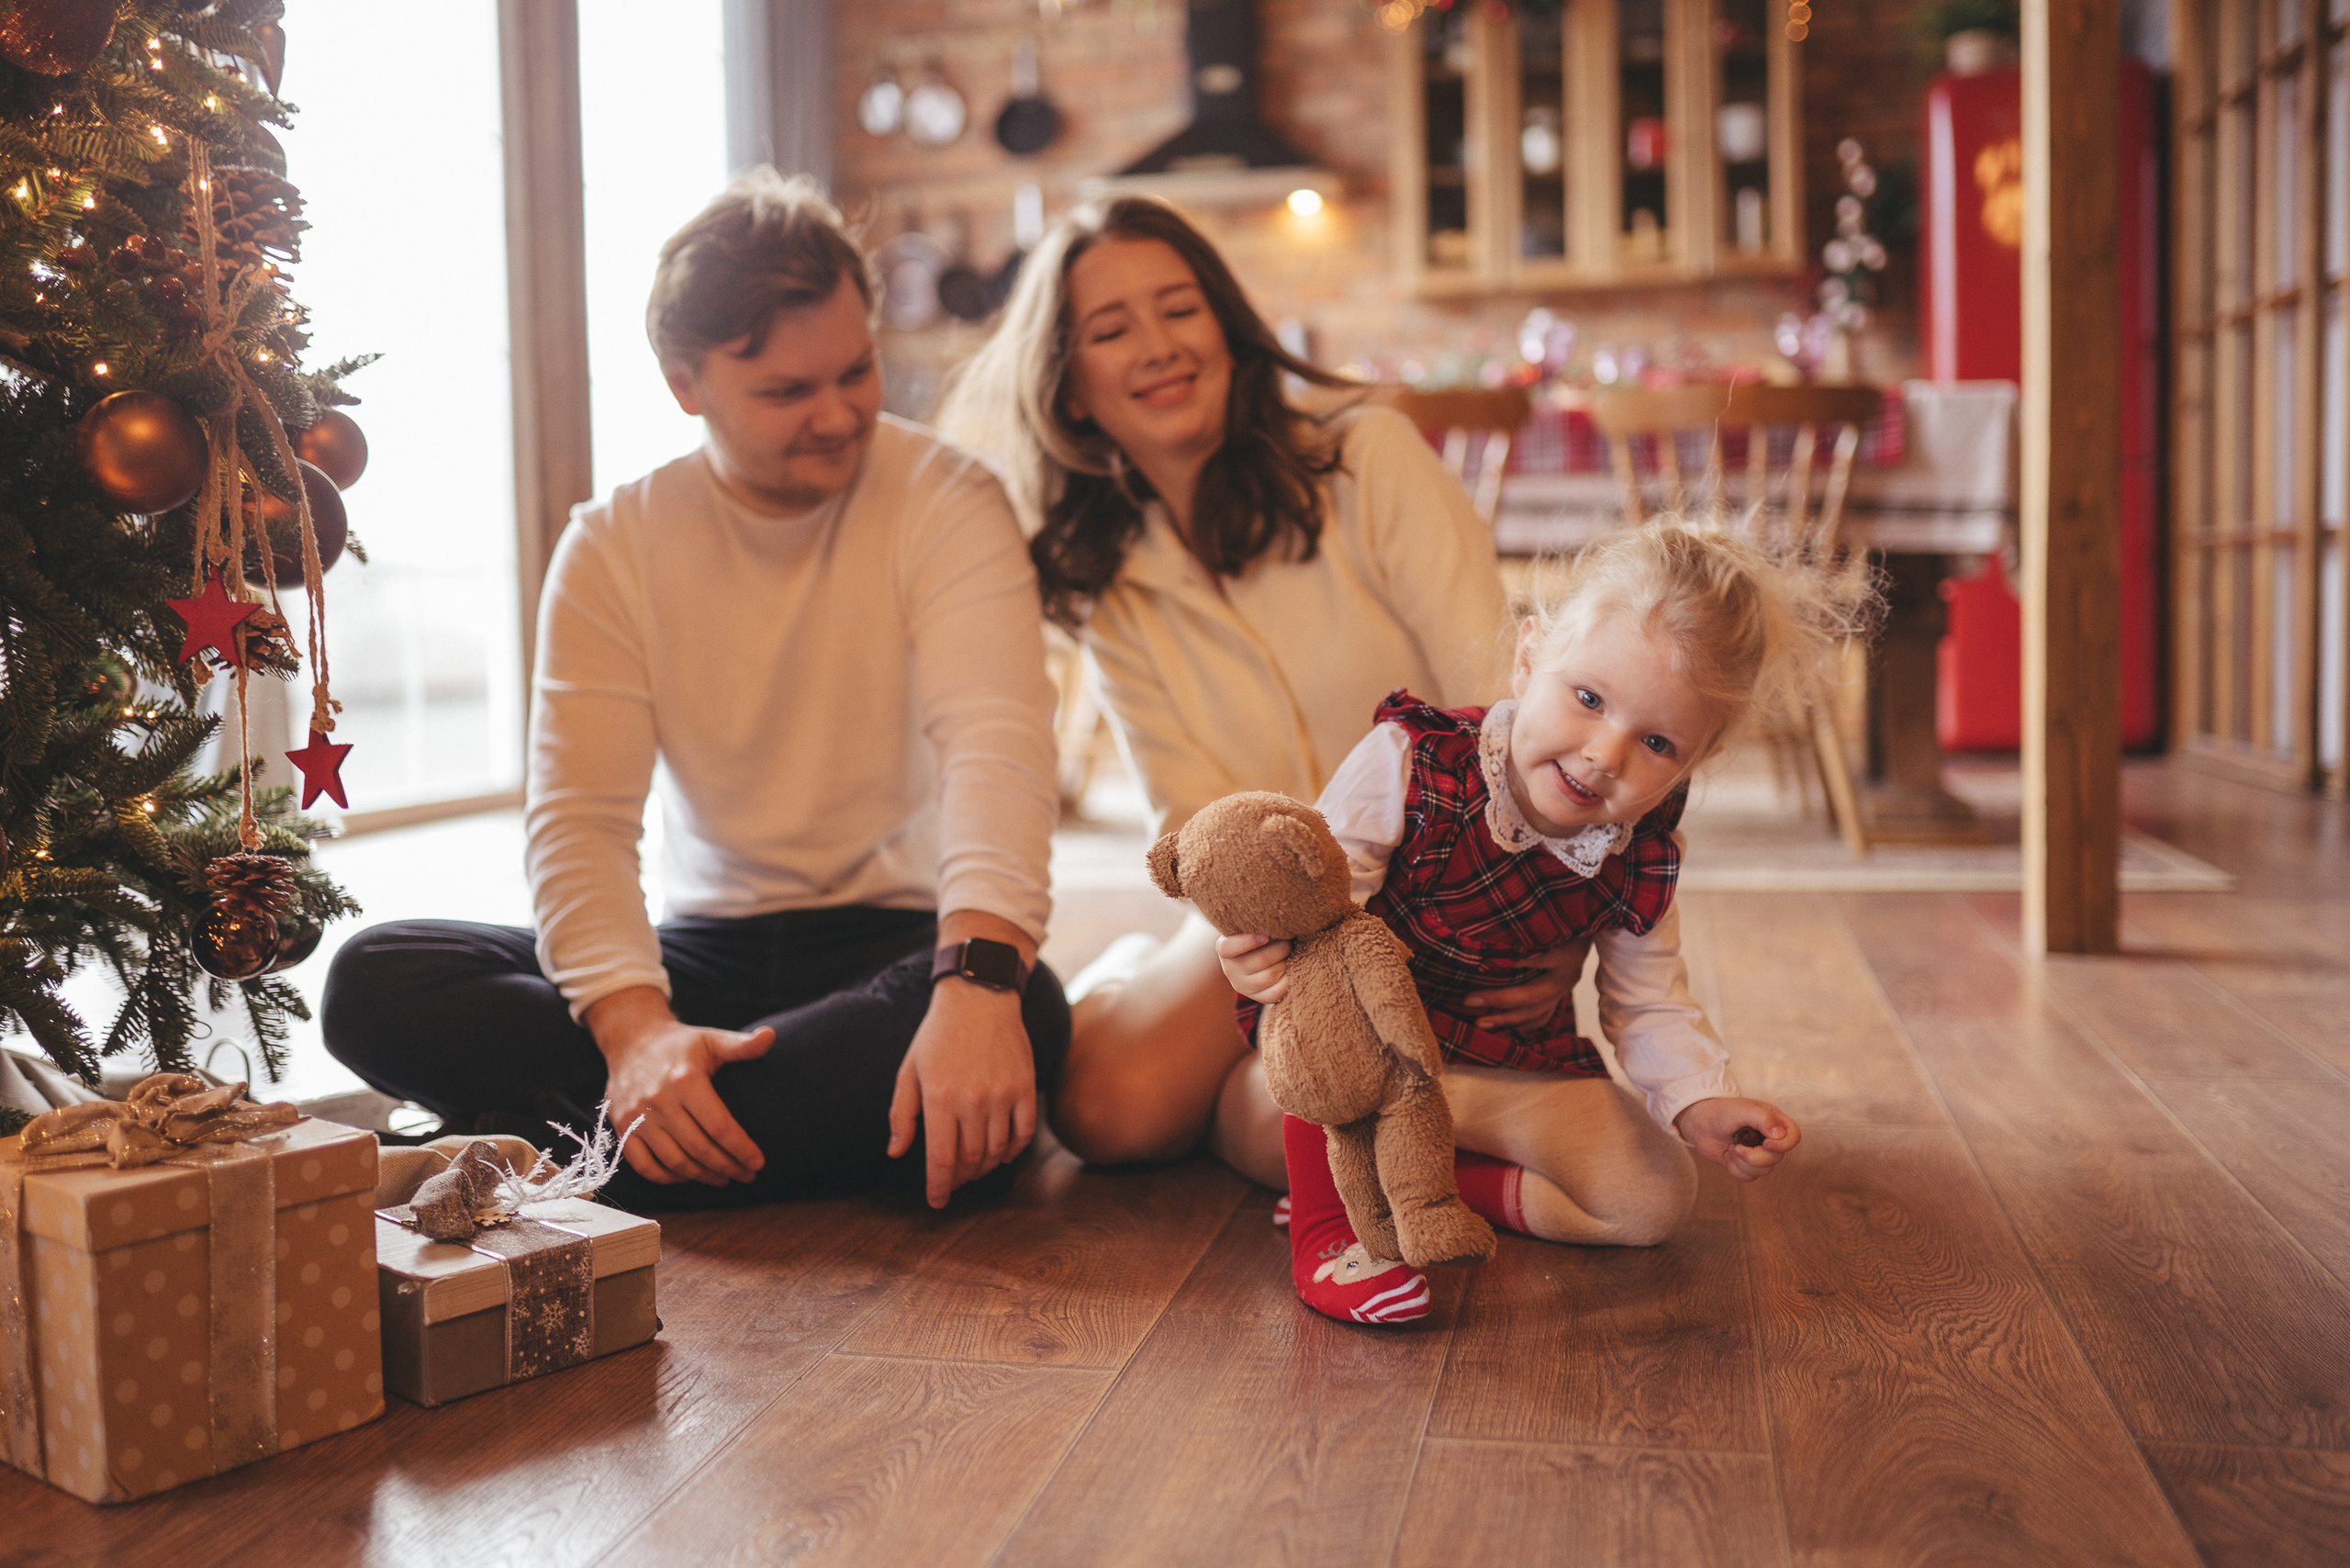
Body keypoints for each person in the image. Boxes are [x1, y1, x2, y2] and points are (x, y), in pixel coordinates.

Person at [323, 171, 1068, 1212]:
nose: (840, 413)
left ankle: (560, 1152)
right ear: (685, 382)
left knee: (1024, 1007)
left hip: (892, 942)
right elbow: (581, 823)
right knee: (377, 979)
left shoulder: (948, 500)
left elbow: (997, 745)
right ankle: (783, 1132)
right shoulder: (614, 545)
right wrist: (637, 1034)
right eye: (786, 393)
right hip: (700, 958)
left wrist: (979, 984)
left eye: (855, 371)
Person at [940, 196, 1583, 1186]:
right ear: (1070, 390)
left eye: (1179, 309)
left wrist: (1551, 918)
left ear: (1230, 331)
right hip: (1276, 912)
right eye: (1111, 330)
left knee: (1317, 1085)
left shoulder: (1368, 458)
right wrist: (1251, 937)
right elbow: (1188, 809)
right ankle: (1168, 1006)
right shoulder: (1106, 569)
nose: (1157, 346)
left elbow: (1504, 705)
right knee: (1105, 1112)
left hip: (1450, 895)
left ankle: (1333, 1118)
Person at [1219, 520, 1874, 1323]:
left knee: (1653, 1198)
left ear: (1695, 761)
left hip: (1500, 1069)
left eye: (1658, 742)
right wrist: (1264, 958)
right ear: (1530, 657)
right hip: (1373, 1052)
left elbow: (1649, 1000)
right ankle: (1334, 1233)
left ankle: (1419, 1184)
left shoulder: (1639, 852)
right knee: (1297, 1056)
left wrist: (1702, 1104)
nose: (1605, 754)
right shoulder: (1410, 761)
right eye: (1589, 699)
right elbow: (1315, 910)